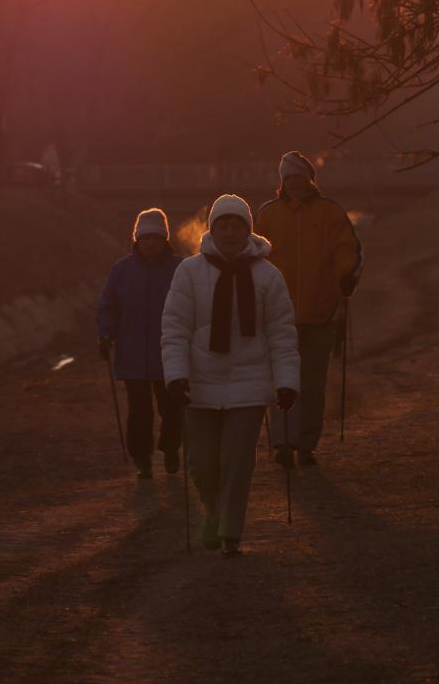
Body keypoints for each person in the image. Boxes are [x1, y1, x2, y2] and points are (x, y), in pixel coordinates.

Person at [161, 194, 299, 557]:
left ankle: (230, 531)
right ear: (212, 228)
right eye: (222, 224)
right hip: (199, 385)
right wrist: (176, 375)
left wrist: (286, 382)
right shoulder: (189, 272)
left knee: (237, 462)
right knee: (203, 463)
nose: (229, 231)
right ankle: (212, 511)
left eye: (237, 225)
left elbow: (282, 334)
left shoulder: (269, 276)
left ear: (248, 230)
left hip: (249, 386)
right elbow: (174, 328)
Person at [255, 151, 362, 467]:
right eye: (288, 179)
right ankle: (283, 443)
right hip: (279, 315)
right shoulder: (268, 215)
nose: (294, 184)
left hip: (321, 312)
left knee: (313, 383)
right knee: (282, 381)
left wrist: (346, 276)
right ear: (282, 183)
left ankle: (306, 444)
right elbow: (255, 257)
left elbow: (348, 249)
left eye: (299, 178)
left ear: (309, 180)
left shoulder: (330, 212)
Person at [97, 208, 183, 479]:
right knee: (139, 412)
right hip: (132, 353)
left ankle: (170, 448)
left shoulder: (180, 269)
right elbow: (109, 306)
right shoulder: (121, 270)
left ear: (164, 239)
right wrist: (105, 334)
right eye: (145, 238)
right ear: (137, 239)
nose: (151, 243)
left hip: (170, 354)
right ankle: (142, 459)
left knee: (171, 409)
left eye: (156, 238)